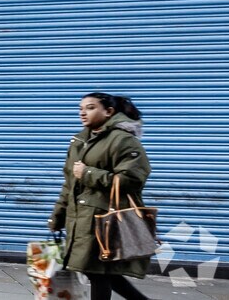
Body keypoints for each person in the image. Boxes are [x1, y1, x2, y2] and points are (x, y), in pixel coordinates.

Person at [50, 93, 152, 300]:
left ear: (109, 111)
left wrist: (88, 173)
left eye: (90, 108)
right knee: (94, 270)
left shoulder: (123, 140)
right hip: (80, 217)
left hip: (104, 219)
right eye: (80, 108)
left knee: (97, 271)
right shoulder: (80, 140)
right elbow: (70, 183)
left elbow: (133, 179)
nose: (82, 113)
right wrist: (58, 215)